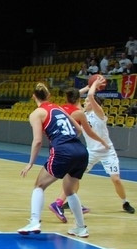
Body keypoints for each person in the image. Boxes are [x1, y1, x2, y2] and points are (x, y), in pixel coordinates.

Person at [51, 79, 134, 217]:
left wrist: (94, 85)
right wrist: (87, 87)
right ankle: (69, 200)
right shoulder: (81, 114)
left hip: (107, 151)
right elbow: (75, 97)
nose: (85, 102)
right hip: (91, 152)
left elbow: (90, 96)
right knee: (73, 177)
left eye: (88, 102)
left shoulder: (100, 114)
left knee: (116, 179)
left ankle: (125, 202)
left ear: (95, 103)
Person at [17, 82, 90, 238]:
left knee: (39, 185)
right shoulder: (59, 108)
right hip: (81, 151)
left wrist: (30, 163)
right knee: (70, 191)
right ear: (49, 96)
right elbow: (79, 130)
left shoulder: (36, 114)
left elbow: (37, 141)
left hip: (63, 152)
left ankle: (34, 222)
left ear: (33, 97)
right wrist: (68, 142)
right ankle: (81, 228)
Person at [47, 86, 108, 221]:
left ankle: (73, 203)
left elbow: (74, 95)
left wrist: (87, 87)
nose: (85, 102)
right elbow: (89, 132)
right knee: (71, 177)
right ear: (79, 100)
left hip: (57, 145)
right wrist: (102, 141)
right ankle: (58, 203)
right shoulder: (79, 112)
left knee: (75, 176)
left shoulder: (60, 108)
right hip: (70, 148)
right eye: (84, 100)